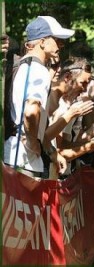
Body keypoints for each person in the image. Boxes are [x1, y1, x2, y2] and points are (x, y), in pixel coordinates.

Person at [4, 16, 74, 178]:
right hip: (24, 160)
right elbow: (31, 110)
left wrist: (50, 151)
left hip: (15, 155)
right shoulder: (38, 71)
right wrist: (32, 142)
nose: (61, 45)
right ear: (42, 42)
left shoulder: (23, 66)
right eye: (57, 40)